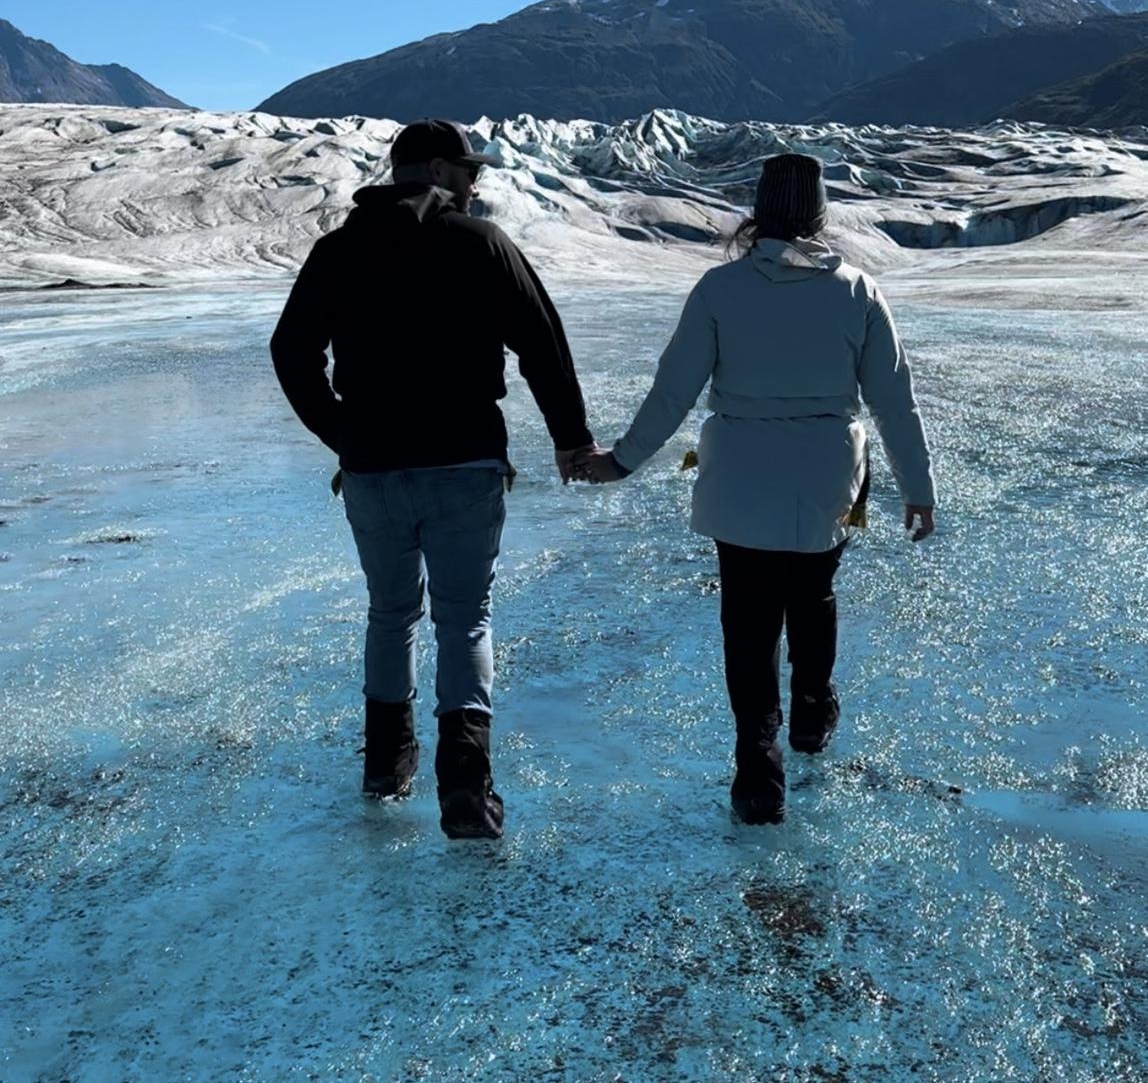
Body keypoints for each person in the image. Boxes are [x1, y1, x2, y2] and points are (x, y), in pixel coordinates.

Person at [581, 153, 936, 826]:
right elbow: (894, 399)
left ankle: (756, 768)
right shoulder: (856, 290)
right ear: (819, 217)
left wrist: (622, 462)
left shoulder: (720, 289)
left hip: (739, 472)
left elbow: (672, 393)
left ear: (758, 214)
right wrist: (918, 488)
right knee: (814, 591)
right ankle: (810, 710)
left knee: (748, 618)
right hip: (828, 471)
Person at [270, 119, 597, 840]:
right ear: (440, 172)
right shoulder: (481, 244)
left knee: (391, 614)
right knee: (464, 617)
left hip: (374, 467)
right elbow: (543, 342)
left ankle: (387, 766)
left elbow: (291, 351)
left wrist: (342, 432)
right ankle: (467, 790)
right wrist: (571, 439)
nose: (476, 182)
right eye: (468, 170)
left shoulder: (339, 249)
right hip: (465, 460)